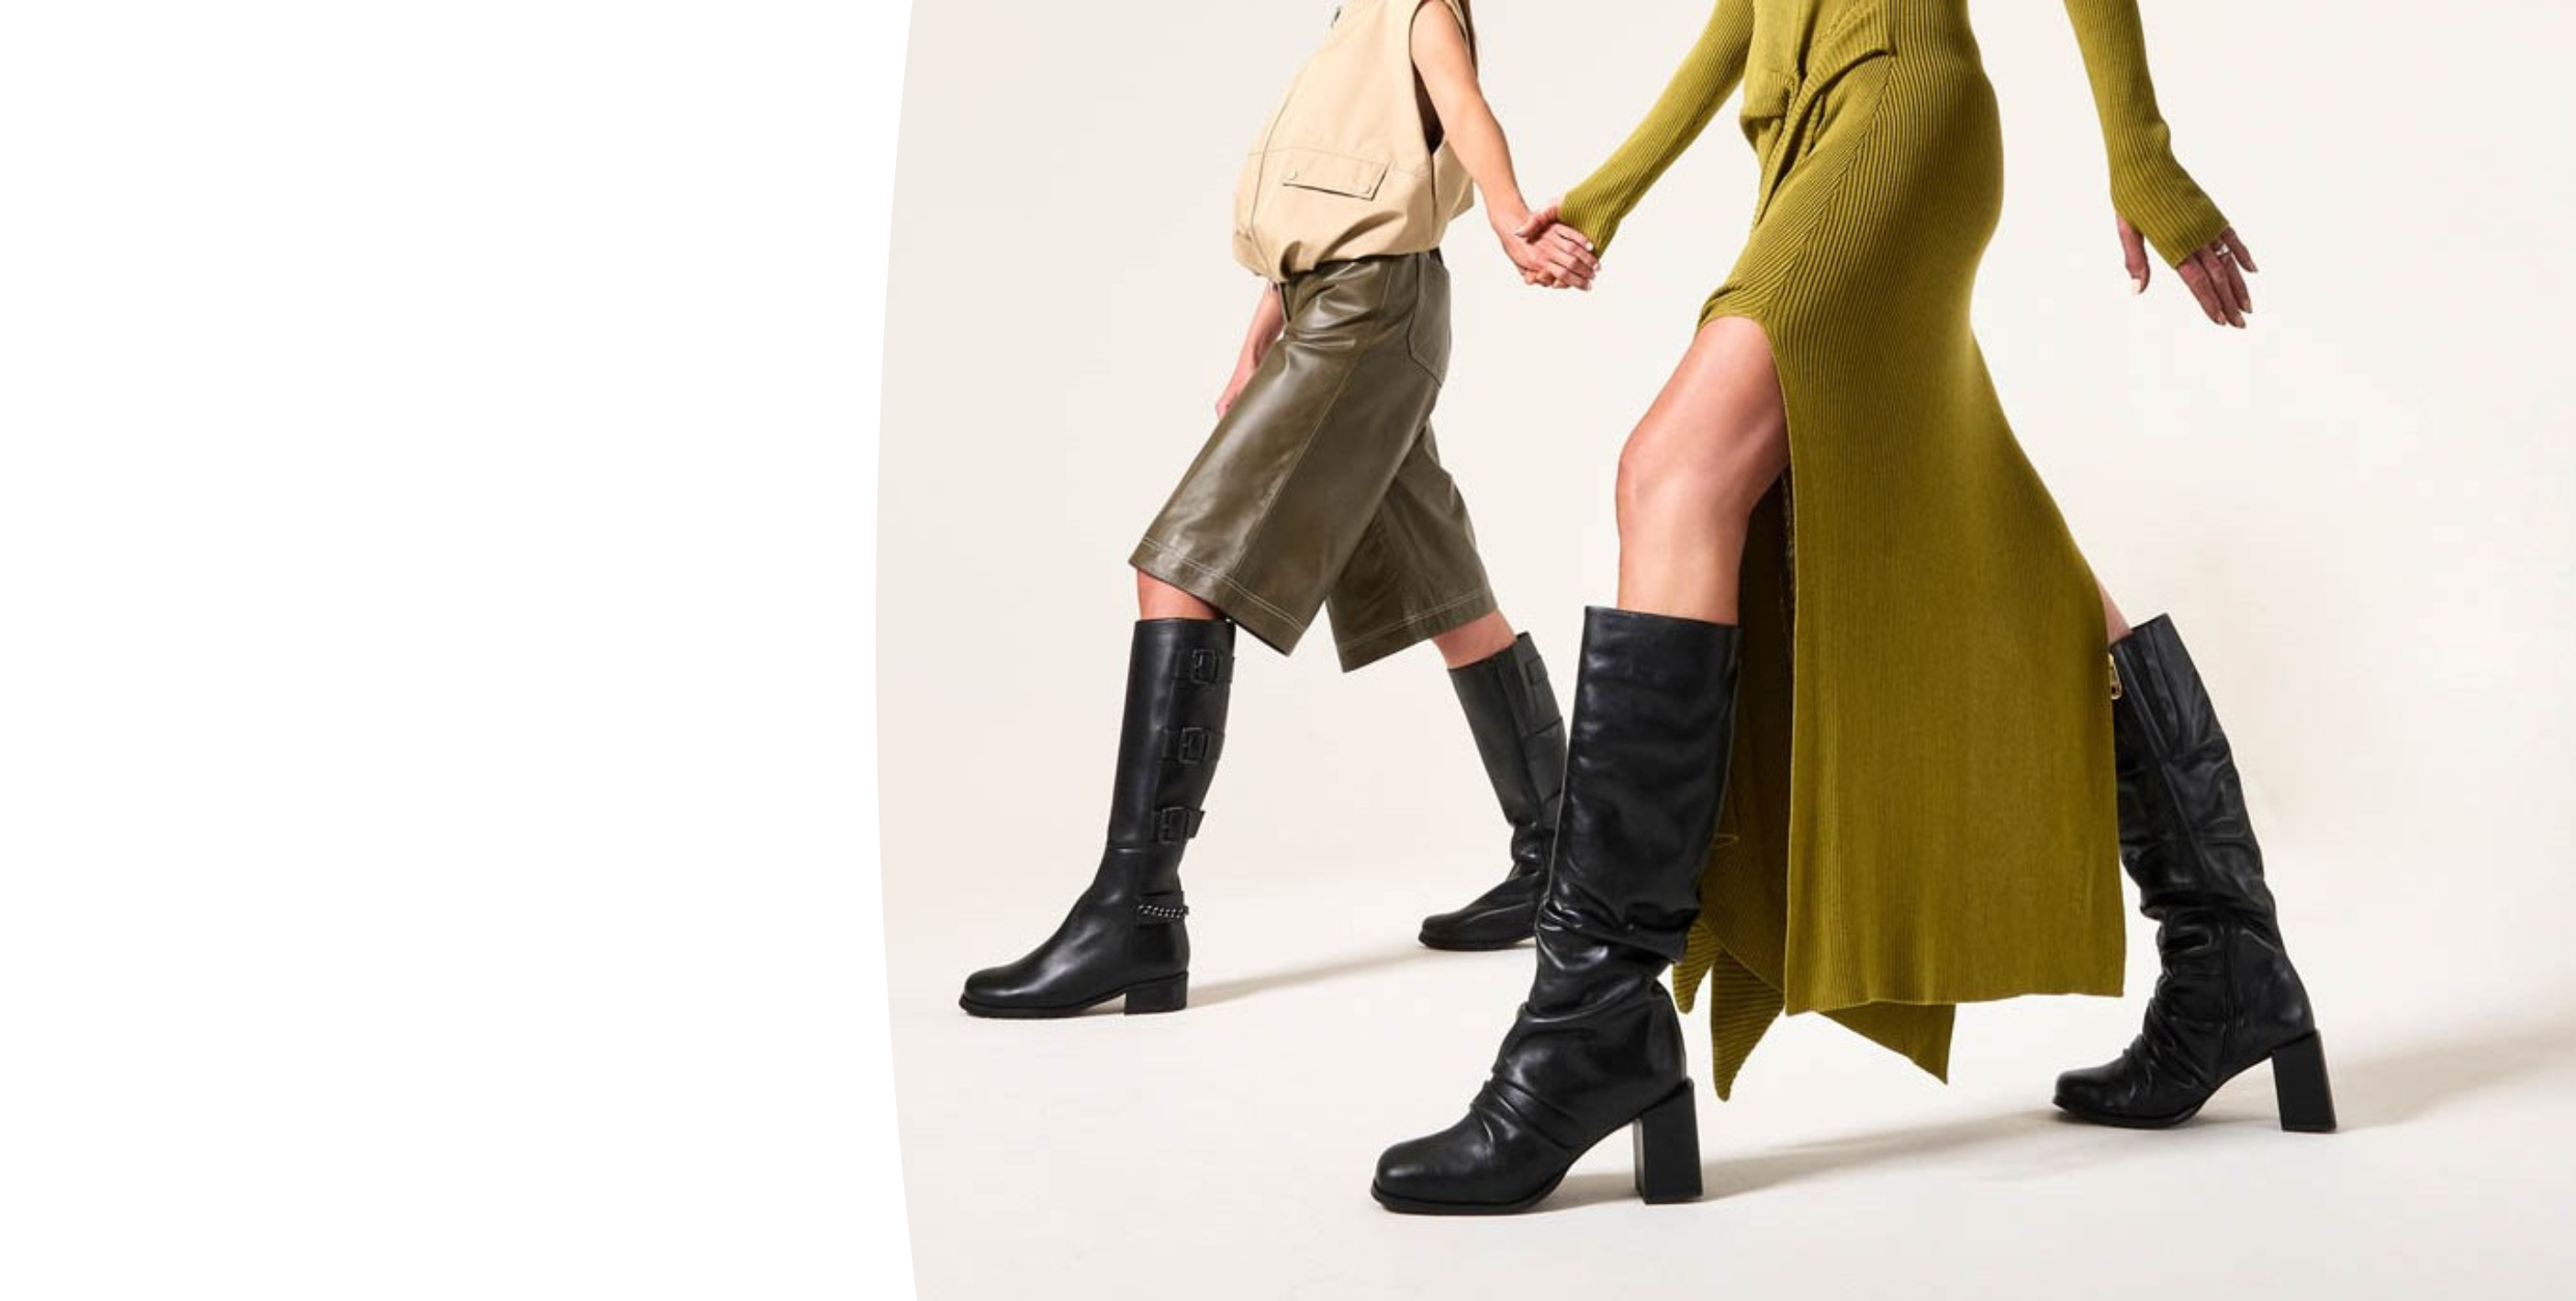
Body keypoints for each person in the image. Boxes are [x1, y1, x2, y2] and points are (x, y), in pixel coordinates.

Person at [1372, 0, 2335, 1214]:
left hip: (1899, 112)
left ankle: (1589, 1024)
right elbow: (1746, 17)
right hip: (1805, 137)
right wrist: (1610, 191)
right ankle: (2229, 959)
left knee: (1671, 473)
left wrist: (2135, 148)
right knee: (1981, 535)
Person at [960, 0, 1605, 1019]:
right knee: (1440, 591)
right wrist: (1259, 330)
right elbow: (1333, 198)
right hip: (1345, 308)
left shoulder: (1415, 7)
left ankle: (1135, 911)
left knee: (1179, 568)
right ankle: (1563, 858)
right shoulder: (1356, 21)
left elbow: (1466, 111)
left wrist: (1513, 221)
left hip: (1365, 314)